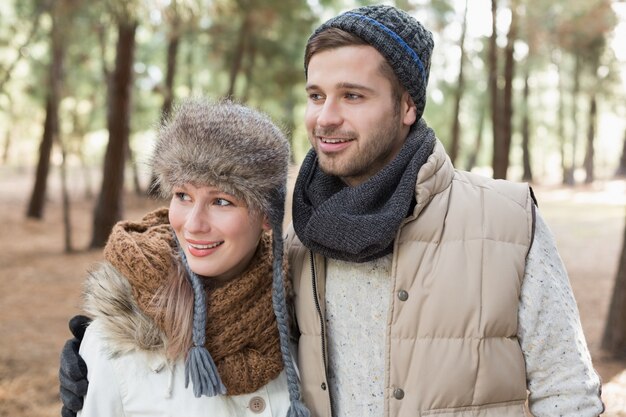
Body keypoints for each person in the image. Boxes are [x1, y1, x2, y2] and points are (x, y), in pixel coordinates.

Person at [60, 5, 604, 417]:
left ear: (408, 105)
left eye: (353, 96)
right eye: (316, 95)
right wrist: (115, 334)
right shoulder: (293, 226)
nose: (326, 117)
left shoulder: (507, 220)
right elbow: (197, 247)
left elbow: (569, 393)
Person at [60, 98, 308, 417]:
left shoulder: (302, 309)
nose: (193, 224)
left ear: (266, 215)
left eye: (221, 201)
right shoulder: (115, 339)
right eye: (183, 196)